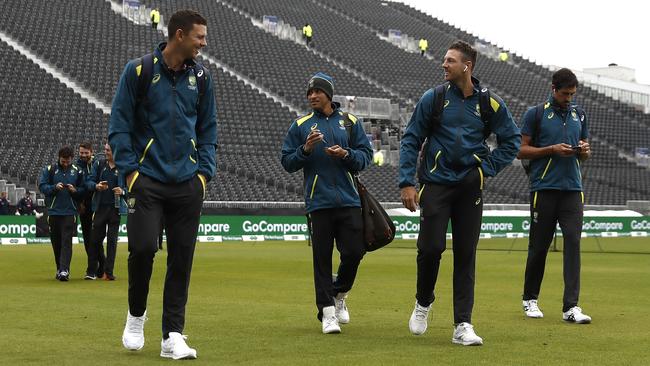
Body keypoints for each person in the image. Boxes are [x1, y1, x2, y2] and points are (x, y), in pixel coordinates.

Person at [109, 9, 216, 360]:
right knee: (141, 250)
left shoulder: (201, 77)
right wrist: (131, 172)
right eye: (200, 37)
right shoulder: (139, 71)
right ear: (180, 35)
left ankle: (172, 335)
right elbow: (119, 125)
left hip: (188, 183)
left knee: (181, 259)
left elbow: (208, 129)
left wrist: (204, 174)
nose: (204, 43)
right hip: (147, 182)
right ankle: (136, 316)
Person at [399, 40, 520, 345]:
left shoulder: (489, 103)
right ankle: (423, 302)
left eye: (450, 60)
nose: (444, 64)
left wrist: (484, 169)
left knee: (466, 254)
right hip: (436, 184)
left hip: (470, 187)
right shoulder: (434, 98)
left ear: (467, 66)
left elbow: (512, 141)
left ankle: (462, 325)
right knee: (430, 249)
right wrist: (406, 182)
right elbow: (411, 139)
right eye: (445, 59)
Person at [281, 72, 373, 334]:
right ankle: (328, 313)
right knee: (321, 259)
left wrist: (346, 154)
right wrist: (306, 150)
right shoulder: (300, 125)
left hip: (348, 200)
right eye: (309, 93)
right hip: (318, 202)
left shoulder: (350, 121)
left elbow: (365, 157)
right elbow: (287, 162)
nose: (312, 96)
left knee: (354, 252)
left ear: (329, 94)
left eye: (317, 92)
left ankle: (339, 293)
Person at [518, 68, 592, 324]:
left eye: (572, 94)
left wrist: (583, 150)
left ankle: (571, 307)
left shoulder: (579, 114)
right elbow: (520, 150)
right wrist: (550, 149)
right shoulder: (536, 114)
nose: (569, 98)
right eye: (564, 94)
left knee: (573, 245)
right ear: (553, 89)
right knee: (539, 248)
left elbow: (584, 154)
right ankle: (530, 299)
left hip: (573, 190)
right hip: (544, 189)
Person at [39, 146, 86, 281]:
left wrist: (74, 190)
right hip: (54, 212)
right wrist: (54, 187)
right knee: (56, 243)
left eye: (68, 161)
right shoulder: (50, 170)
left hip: (70, 212)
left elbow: (83, 190)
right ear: (59, 158)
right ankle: (60, 268)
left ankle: (65, 270)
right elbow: (42, 186)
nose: (66, 163)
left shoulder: (77, 171)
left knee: (67, 241)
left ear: (71, 159)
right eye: (63, 161)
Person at [86, 143, 127, 281]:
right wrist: (96, 186)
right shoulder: (99, 164)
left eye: (108, 150)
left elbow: (130, 188)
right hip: (100, 208)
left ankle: (108, 273)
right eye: (105, 150)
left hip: (115, 209)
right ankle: (93, 270)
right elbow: (89, 182)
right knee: (95, 240)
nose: (106, 152)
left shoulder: (123, 167)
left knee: (112, 241)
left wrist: (123, 191)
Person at [77, 142, 101, 280]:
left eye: (86, 153)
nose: (84, 155)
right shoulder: (76, 167)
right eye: (81, 152)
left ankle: (99, 267)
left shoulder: (98, 165)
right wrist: (79, 202)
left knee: (96, 238)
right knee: (87, 239)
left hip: (98, 205)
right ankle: (96, 268)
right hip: (84, 207)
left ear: (92, 152)